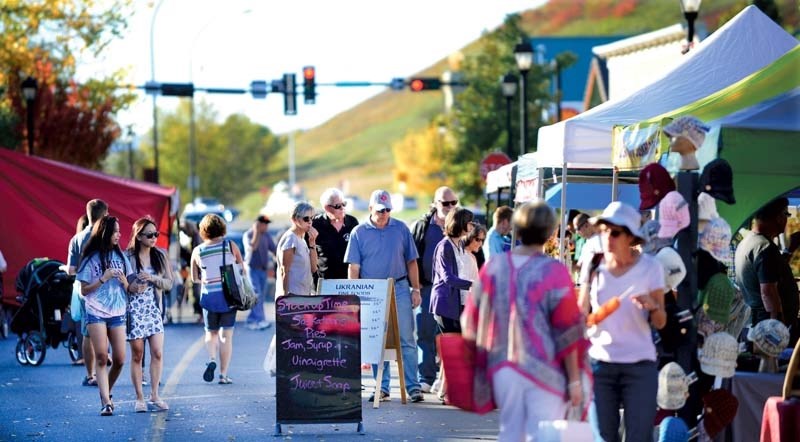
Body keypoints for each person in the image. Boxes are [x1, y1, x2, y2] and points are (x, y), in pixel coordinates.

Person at [461, 200, 588, 441]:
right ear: (549, 232)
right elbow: (568, 329)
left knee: (510, 431)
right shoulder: (555, 272)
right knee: (543, 435)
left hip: (503, 367)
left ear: (517, 228)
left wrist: (478, 364)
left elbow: (471, 318)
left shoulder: (494, 267)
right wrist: (574, 379)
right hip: (546, 370)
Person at [577, 201, 667, 442]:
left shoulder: (651, 268)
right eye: (604, 230)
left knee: (639, 436)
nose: (608, 237)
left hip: (639, 365)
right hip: (600, 364)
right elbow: (580, 313)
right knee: (604, 437)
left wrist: (653, 305)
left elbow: (661, 322)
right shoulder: (593, 265)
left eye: (615, 232)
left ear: (630, 238)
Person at [345, 189, 424, 403]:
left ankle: (413, 387)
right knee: (376, 339)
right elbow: (354, 267)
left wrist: (415, 289)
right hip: (372, 290)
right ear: (371, 208)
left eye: (387, 209)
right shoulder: (359, 232)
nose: (384, 214)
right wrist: (354, 295)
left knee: (407, 338)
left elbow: (411, 262)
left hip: (399, 286)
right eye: (380, 210)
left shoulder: (401, 229)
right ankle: (382, 386)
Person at [76, 215, 135, 416]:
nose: (119, 234)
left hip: (118, 312)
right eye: (115, 231)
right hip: (96, 312)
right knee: (102, 356)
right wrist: (103, 278)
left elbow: (130, 286)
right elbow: (84, 290)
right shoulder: (89, 259)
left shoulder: (122, 258)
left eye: (119, 231)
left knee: (119, 359)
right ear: (105, 233)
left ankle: (106, 393)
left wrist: (130, 284)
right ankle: (106, 402)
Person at [410, 186, 459, 392]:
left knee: (452, 335)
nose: (449, 207)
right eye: (445, 203)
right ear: (435, 203)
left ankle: (450, 380)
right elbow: (412, 255)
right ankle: (426, 377)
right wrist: (416, 284)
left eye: (453, 203)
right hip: (428, 287)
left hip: (454, 290)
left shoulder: (462, 225)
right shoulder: (422, 225)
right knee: (425, 332)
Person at [735, 197, 799, 344]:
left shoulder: (748, 243)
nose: (786, 220)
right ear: (778, 217)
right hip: (767, 327)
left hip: (755, 323)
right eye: (786, 215)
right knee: (770, 365)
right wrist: (777, 327)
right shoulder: (765, 248)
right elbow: (768, 291)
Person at [125, 216, 173, 412]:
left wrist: (152, 278)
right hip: (134, 311)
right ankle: (139, 398)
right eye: (149, 235)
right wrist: (134, 285)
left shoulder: (160, 256)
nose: (154, 238)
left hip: (154, 310)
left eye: (156, 234)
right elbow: (122, 285)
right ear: (138, 236)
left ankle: (155, 395)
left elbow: (169, 283)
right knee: (137, 355)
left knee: (157, 353)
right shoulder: (127, 257)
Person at [190, 214, 242, 385]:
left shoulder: (198, 250)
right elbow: (241, 267)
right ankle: (223, 374)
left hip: (209, 297)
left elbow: (194, 278)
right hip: (228, 296)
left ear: (203, 230)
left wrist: (206, 277)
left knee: (210, 333)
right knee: (226, 335)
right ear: (222, 228)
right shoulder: (229, 245)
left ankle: (212, 358)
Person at [430, 207, 474, 402]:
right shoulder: (445, 246)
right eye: (469, 222)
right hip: (445, 303)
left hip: (455, 303)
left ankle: (446, 390)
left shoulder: (458, 245)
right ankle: (448, 392)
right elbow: (447, 278)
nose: (471, 226)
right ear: (461, 224)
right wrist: (473, 284)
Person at [67, 199, 109, 387]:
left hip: (84, 290)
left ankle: (90, 374)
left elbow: (71, 269)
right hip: (105, 288)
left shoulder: (76, 239)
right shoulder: (106, 236)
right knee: (107, 327)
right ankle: (104, 368)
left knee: (87, 332)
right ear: (104, 214)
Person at [312, 188, 358, 281]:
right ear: (326, 207)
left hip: (348, 282)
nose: (342, 208)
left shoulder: (352, 222)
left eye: (344, 204)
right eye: (337, 206)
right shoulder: (316, 224)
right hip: (324, 281)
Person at [276, 202, 319, 297]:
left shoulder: (301, 239)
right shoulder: (291, 238)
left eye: (312, 218)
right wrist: (285, 298)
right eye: (306, 218)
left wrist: (312, 243)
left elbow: (314, 268)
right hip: (292, 295)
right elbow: (284, 271)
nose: (310, 222)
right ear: (295, 219)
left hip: (303, 294)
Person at [242, 214, 277, 330]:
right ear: (258, 224)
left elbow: (274, 249)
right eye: (264, 224)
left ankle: (252, 319)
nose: (266, 227)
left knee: (260, 296)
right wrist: (256, 231)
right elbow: (253, 247)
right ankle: (259, 320)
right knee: (256, 294)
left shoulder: (266, 235)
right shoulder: (249, 235)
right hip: (252, 269)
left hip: (263, 270)